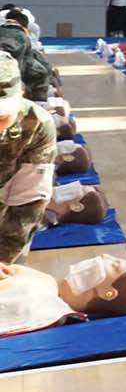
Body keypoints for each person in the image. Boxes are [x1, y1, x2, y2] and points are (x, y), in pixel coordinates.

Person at [0, 255, 126, 337]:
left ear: (108, 293)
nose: (104, 256)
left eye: (113, 265)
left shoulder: (39, 304)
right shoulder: (48, 284)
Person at [0, 53, 55, 263]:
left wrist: (4, 259)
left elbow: (29, 200)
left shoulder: (36, 124)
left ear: (21, 94)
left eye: (2, 118)